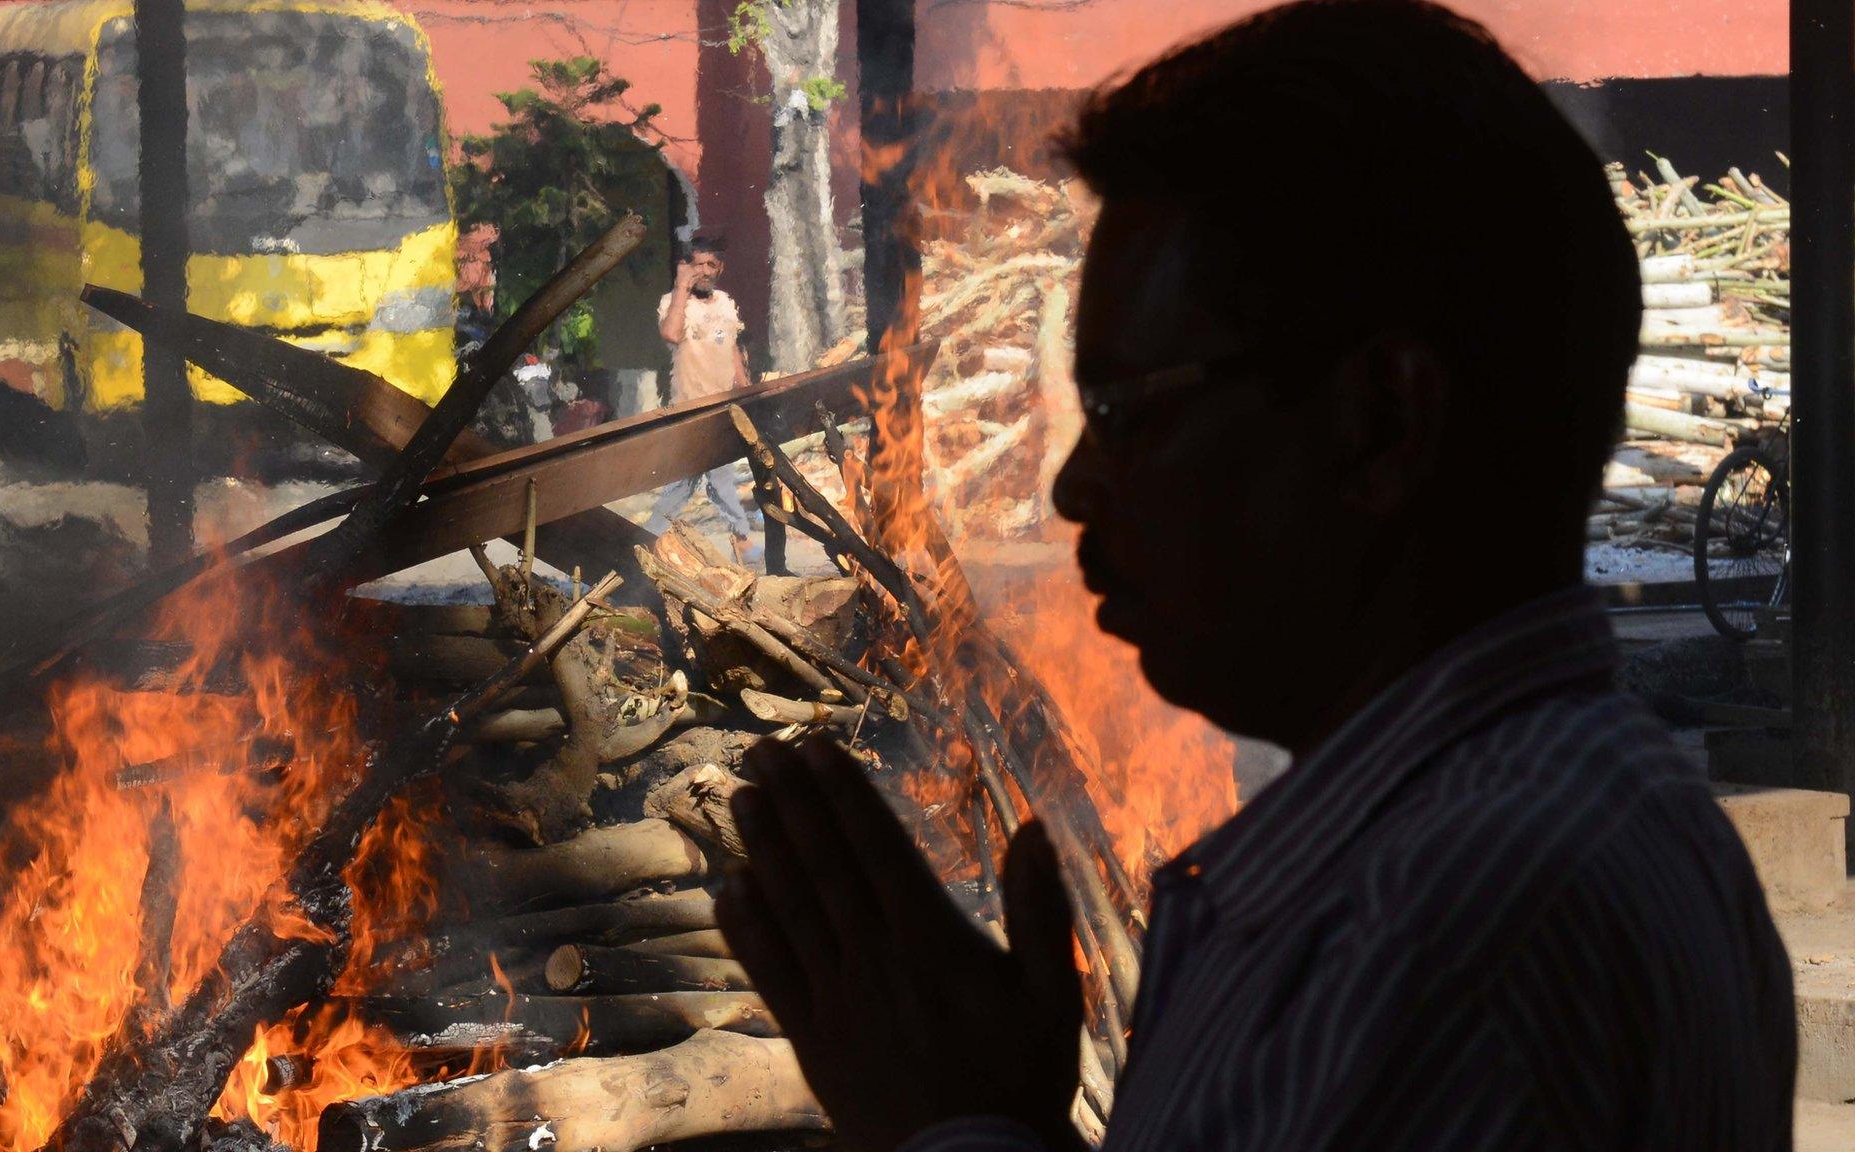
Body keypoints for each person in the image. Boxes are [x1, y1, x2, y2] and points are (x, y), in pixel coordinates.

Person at [712, 3, 1797, 1152]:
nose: (1074, 489)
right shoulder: (1579, 818)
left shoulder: (1438, 938)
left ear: (1378, 423)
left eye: (1128, 410)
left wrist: (949, 1130)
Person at [647, 235, 761, 564]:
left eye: (711, 265)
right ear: (686, 267)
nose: (705, 271)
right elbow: (670, 334)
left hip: (724, 408)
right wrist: (682, 287)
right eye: (698, 265)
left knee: (698, 480)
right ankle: (742, 542)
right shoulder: (675, 302)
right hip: (691, 411)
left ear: (720, 268)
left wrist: (744, 390)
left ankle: (650, 538)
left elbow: (734, 351)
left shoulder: (725, 302)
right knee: (699, 479)